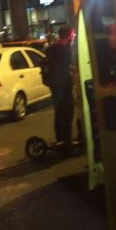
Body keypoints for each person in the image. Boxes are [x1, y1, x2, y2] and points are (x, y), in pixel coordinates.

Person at [43, 25, 75, 154]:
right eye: (72, 35)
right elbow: (67, 69)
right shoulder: (65, 51)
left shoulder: (50, 50)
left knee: (59, 114)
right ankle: (67, 145)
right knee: (67, 115)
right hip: (65, 87)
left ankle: (60, 140)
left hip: (55, 87)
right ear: (69, 35)